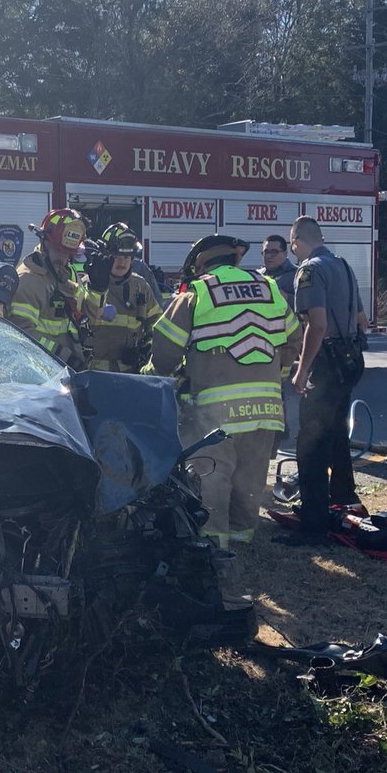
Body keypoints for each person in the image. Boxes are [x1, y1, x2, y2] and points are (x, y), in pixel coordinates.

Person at [145, 234, 300, 548]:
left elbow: (165, 353)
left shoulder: (197, 294)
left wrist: (151, 375)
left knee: (211, 478)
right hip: (266, 409)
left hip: (215, 415)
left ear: (201, 263)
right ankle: (242, 538)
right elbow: (294, 340)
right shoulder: (269, 289)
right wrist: (273, 377)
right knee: (250, 480)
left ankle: (214, 551)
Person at [280, 216, 370, 545]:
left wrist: (302, 371)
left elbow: (315, 326)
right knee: (335, 437)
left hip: (326, 365)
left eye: (291, 243)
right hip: (350, 362)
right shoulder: (344, 266)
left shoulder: (309, 271)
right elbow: (362, 322)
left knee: (310, 445)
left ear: (297, 241)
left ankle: (314, 525)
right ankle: (345, 501)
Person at [8, 208, 109, 370]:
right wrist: (64, 356)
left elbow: (92, 321)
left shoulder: (68, 274)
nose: (63, 259)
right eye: (58, 251)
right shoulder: (28, 281)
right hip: (40, 378)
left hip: (65, 373)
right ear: (44, 243)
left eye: (69, 254)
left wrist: (98, 289)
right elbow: (22, 336)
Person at [86, 226, 162, 372]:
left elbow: (157, 324)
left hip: (130, 372)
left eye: (126, 257)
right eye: (117, 257)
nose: (122, 262)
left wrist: (146, 348)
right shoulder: (89, 285)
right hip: (94, 373)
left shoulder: (140, 286)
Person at [261, 234, 300, 450]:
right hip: (260, 343)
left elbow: (307, 305)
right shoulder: (258, 276)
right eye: (265, 251)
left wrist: (287, 298)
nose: (268, 256)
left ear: (285, 253)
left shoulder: (295, 276)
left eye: (273, 251)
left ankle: (278, 431)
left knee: (278, 389)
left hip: (285, 342)